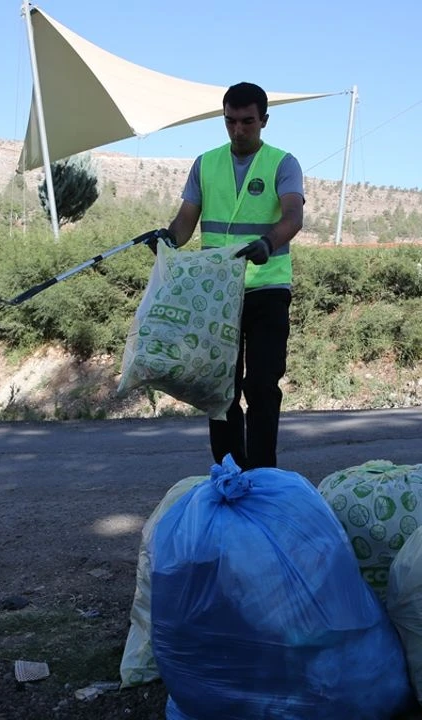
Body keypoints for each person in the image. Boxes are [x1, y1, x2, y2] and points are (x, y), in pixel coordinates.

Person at [151, 81, 304, 469]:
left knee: (262, 387)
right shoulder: (205, 164)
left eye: (247, 122)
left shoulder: (283, 164)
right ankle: (229, 471)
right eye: (230, 121)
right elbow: (187, 221)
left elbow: (293, 216)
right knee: (220, 387)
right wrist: (169, 239)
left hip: (267, 290)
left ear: (264, 121)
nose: (238, 130)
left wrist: (268, 243)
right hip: (218, 293)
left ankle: (264, 472)